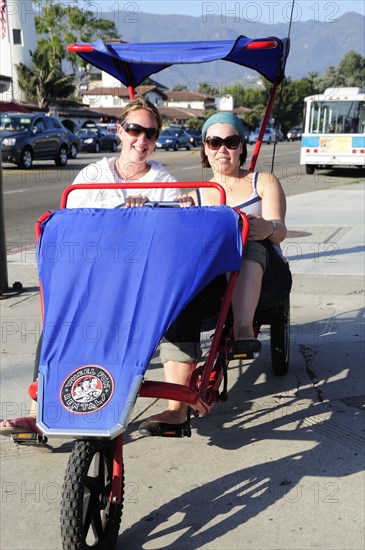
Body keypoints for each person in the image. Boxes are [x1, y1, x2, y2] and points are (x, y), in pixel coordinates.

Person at [0, 97, 179, 436]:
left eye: (150, 134)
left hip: (142, 283)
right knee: (60, 325)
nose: (142, 140)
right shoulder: (93, 174)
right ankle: (38, 412)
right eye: (135, 130)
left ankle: (169, 404)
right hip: (94, 277)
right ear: (120, 131)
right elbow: (71, 229)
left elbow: (172, 242)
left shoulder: (166, 184)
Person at [138, 111, 292, 438]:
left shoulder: (262, 182)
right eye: (215, 142)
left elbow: (279, 230)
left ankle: (243, 329)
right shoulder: (194, 191)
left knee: (246, 239)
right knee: (180, 291)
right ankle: (177, 407)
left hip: (263, 274)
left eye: (231, 142)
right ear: (206, 150)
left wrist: (267, 227)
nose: (223, 149)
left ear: (241, 147)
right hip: (214, 278)